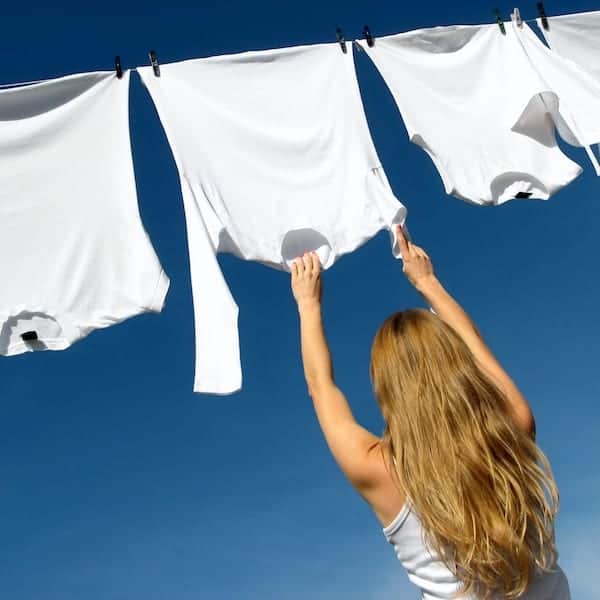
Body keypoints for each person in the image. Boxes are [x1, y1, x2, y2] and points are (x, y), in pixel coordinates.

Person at [290, 225, 570, 599]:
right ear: (456, 364)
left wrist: (308, 304)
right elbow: (475, 346)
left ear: (386, 390)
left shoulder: (377, 470)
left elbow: (320, 387)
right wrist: (428, 282)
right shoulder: (512, 429)